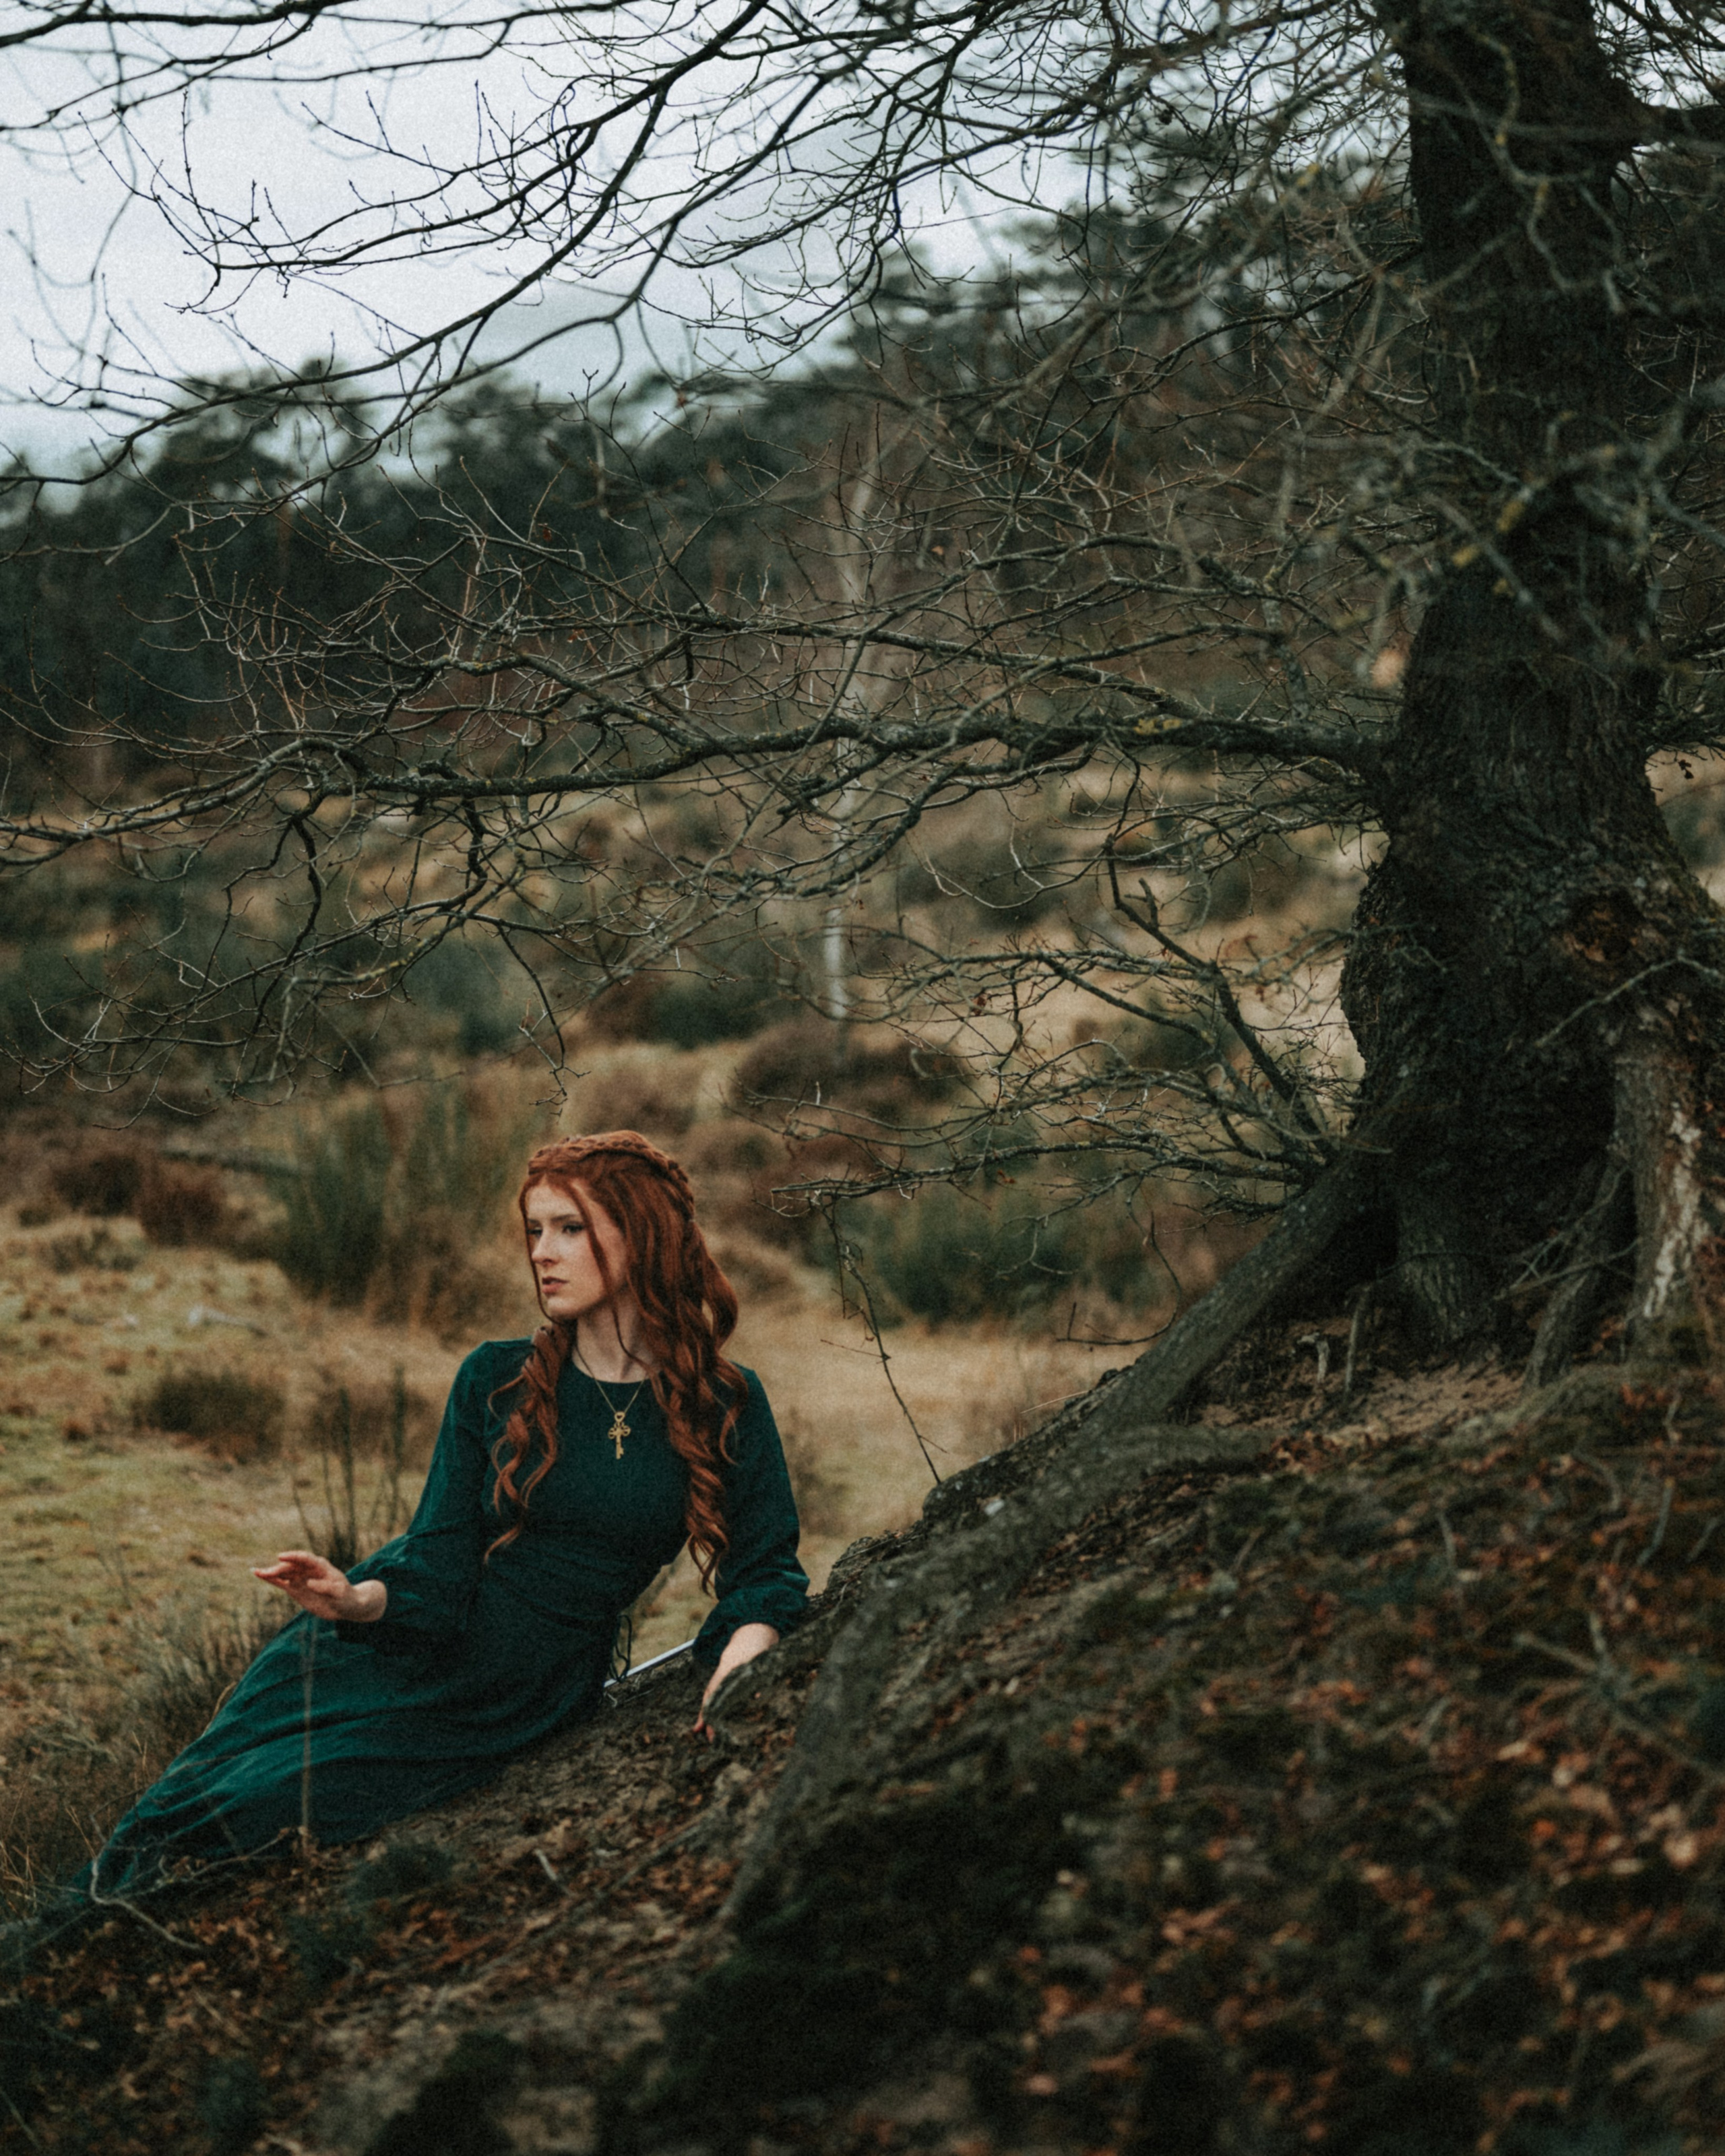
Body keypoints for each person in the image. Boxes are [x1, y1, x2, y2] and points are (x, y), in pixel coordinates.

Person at [77, 1130, 808, 1905]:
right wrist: (355, 1598)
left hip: (521, 1692)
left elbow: (765, 1566)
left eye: (569, 1227)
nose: (541, 1252)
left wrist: (743, 1653)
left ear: (643, 1234)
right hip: (399, 1646)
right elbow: (440, 1553)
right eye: (534, 1229)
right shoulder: (495, 1378)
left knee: (269, 1809)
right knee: (186, 1812)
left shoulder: (722, 1399)